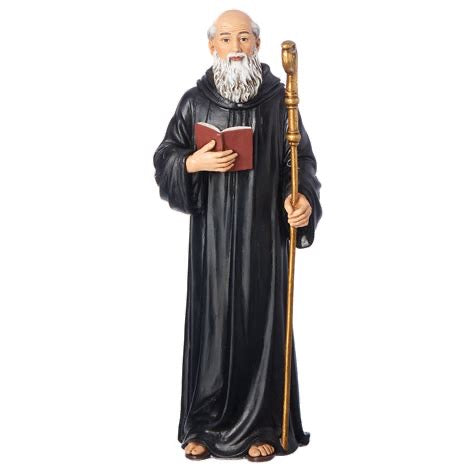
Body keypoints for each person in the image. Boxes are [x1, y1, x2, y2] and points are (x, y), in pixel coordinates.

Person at [153, 10, 322, 462]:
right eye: (226, 38)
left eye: (244, 38)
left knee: (258, 324)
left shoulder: (278, 101)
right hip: (211, 241)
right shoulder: (194, 102)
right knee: (211, 326)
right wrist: (192, 163)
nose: (235, 47)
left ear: (256, 45)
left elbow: (300, 161)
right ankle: (202, 425)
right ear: (212, 46)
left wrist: (301, 198)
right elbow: (165, 155)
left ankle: (262, 425)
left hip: (262, 238)